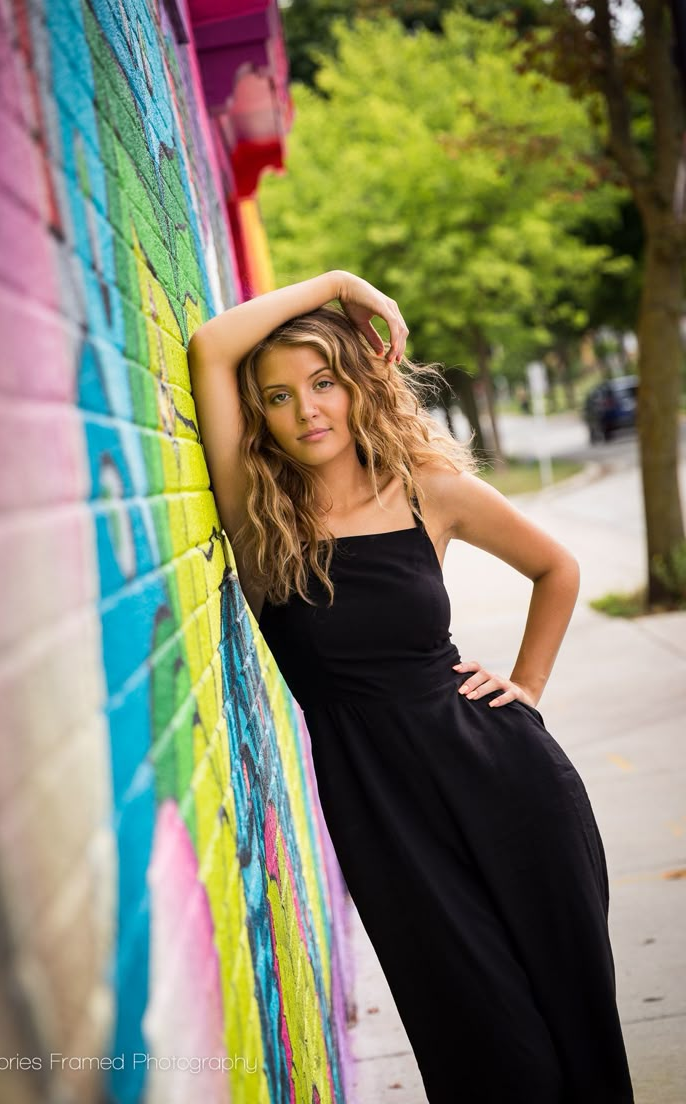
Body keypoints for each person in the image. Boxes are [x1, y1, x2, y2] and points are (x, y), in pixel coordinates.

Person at [187, 270, 634, 1104]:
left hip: (510, 784)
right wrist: (342, 285)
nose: (307, 409)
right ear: (260, 417)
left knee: (580, 1034)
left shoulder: (427, 489)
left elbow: (556, 568)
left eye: (324, 383)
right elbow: (214, 346)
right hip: (384, 814)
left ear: (357, 386)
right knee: (489, 1049)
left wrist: (527, 686)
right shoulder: (261, 518)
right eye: (280, 397)